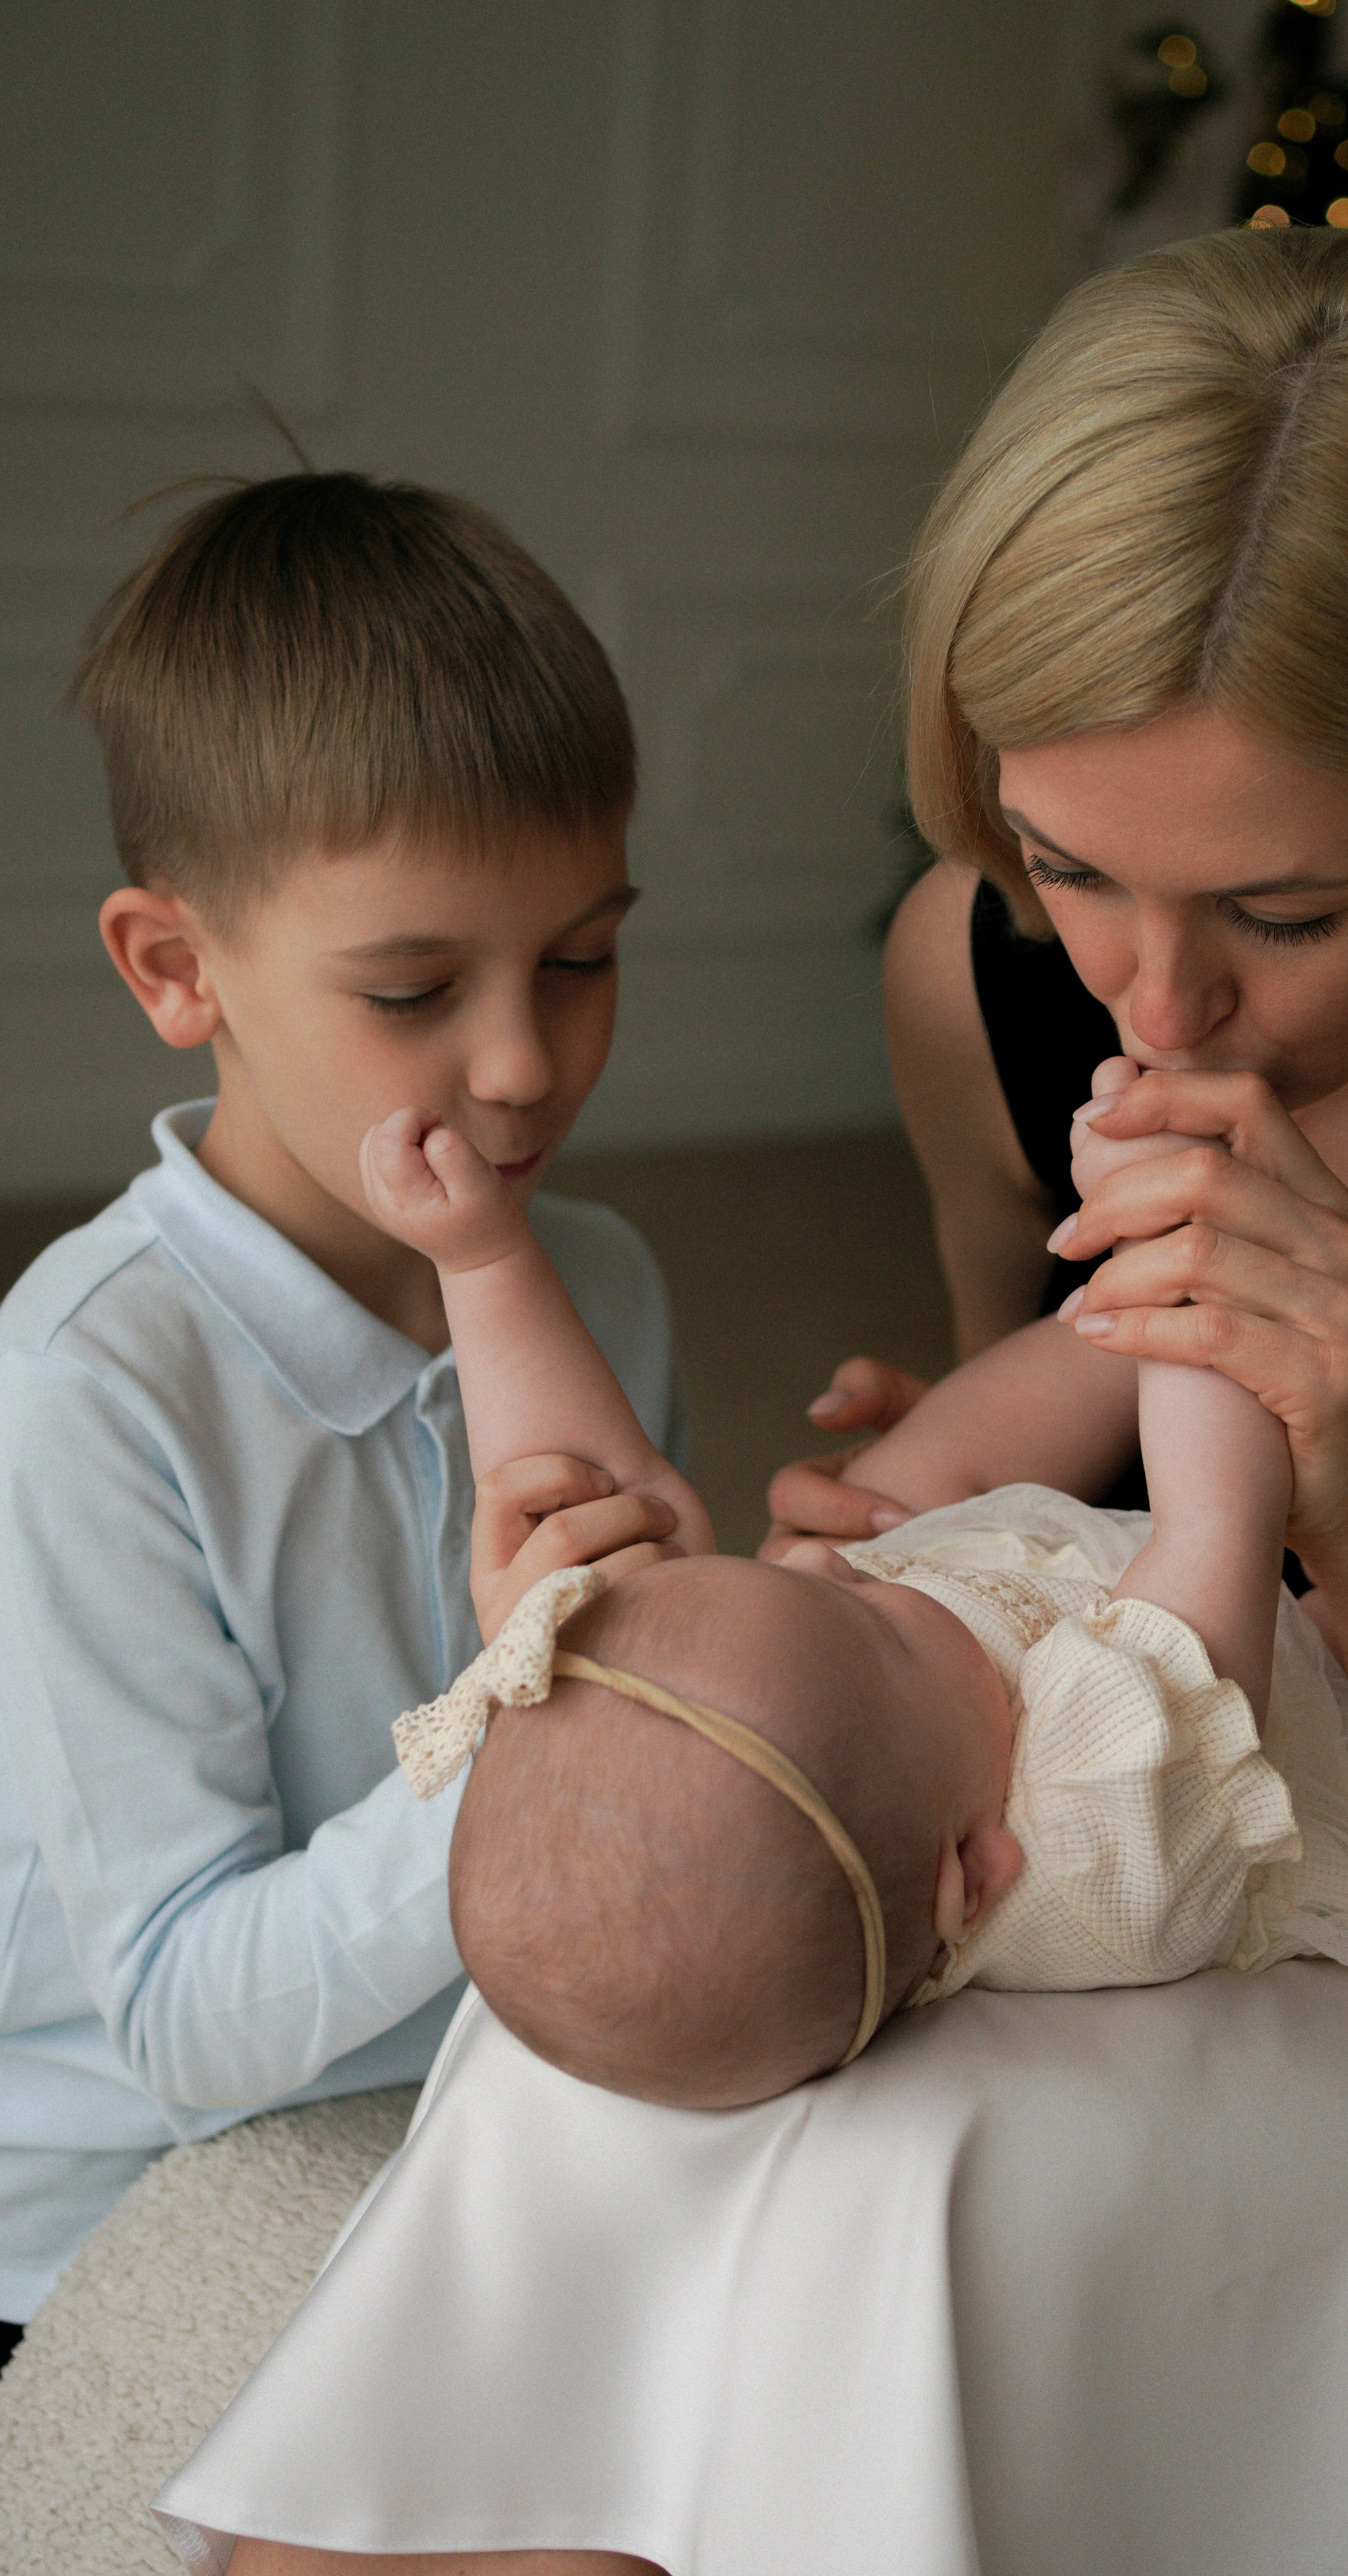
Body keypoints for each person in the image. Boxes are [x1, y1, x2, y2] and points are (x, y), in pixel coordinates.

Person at [155, 231, 1348, 2576]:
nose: (1152, 996)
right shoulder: (981, 979)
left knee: (915, 2167)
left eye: (1284, 912)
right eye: (1073, 863)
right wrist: (898, 1551)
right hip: (1139, 1888)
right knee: (672, 1995)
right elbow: (1048, 1427)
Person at [0, 474, 692, 2362]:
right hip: (139, 2197)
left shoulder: (602, 1286)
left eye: (583, 956)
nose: (524, 1064)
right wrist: (514, 1719)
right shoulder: (89, 1389)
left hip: (498, 2097)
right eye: (411, 990)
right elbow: (182, 2027)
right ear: (176, 969)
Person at [348, 1097, 1348, 2108]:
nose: (817, 1566)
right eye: (871, 1626)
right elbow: (1222, 1515)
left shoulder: (844, 1732)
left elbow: (588, 1503)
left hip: (1063, 1596)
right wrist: (1164, 1232)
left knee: (886, 1501)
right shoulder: (1104, 1837)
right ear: (974, 1878)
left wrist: (483, 1256)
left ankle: (1173, 1315)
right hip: (1326, 1692)